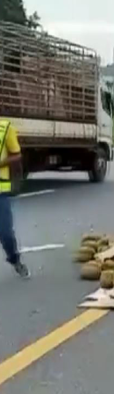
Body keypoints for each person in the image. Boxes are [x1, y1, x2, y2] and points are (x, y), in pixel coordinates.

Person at [0, 119, 29, 278]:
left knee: (6, 234)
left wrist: (1, 163)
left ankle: (15, 260)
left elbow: (17, 155)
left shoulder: (5, 128)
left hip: (0, 192)